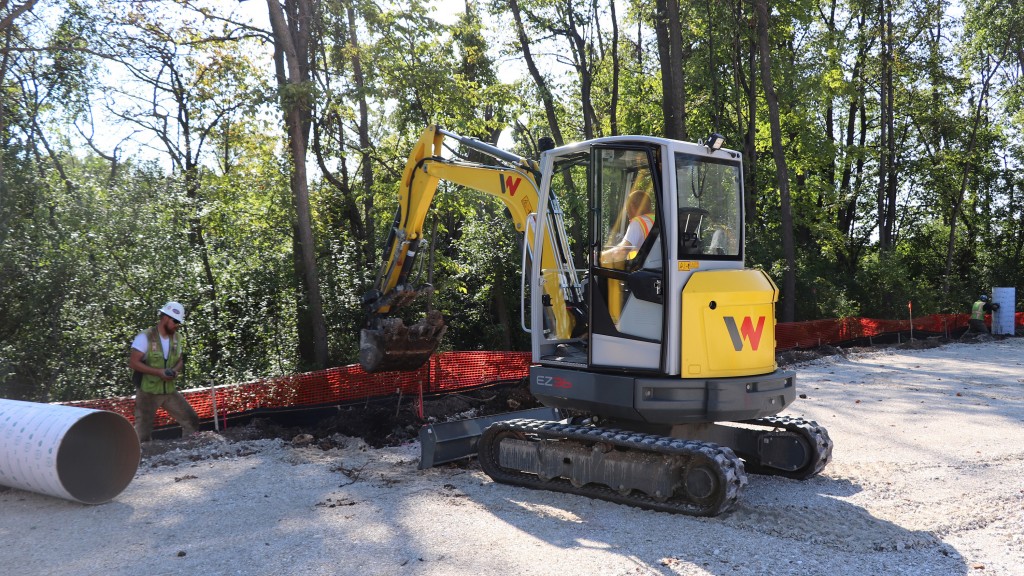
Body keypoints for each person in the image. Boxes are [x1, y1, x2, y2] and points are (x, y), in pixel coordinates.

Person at [129, 301, 199, 441]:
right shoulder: (145, 337)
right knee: (142, 434)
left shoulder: (177, 338)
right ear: (165, 317)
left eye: (179, 322)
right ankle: (143, 459)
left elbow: (180, 361)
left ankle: (189, 451)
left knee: (191, 420)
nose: (177, 325)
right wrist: (159, 372)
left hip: (169, 390)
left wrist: (174, 371)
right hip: (147, 391)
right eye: (175, 321)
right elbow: (133, 362)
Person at [601, 189, 655, 264]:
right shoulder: (656, 220)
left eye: (627, 210)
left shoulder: (638, 222)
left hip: (643, 270)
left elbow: (621, 252)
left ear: (632, 206)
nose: (628, 216)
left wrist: (600, 256)